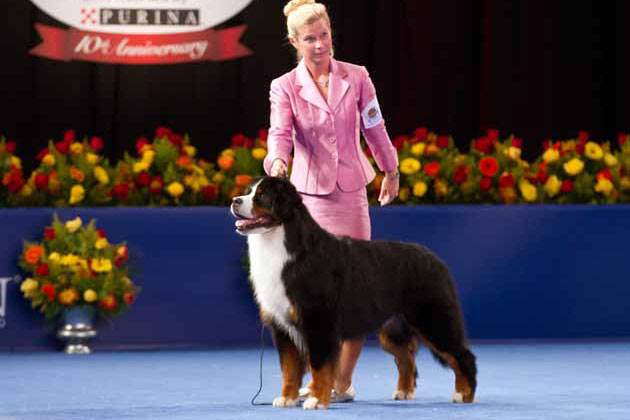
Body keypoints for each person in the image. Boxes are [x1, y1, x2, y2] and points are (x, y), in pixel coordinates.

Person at [264, 0, 400, 403]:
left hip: (353, 192)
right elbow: (279, 134)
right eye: (310, 39)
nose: (320, 44)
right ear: (294, 41)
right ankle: (317, 376)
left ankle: (341, 381)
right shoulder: (284, 86)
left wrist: (391, 170)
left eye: (324, 35)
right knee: (312, 297)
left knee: (356, 289)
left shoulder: (357, 77)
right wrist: (277, 163)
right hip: (311, 199)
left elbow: (375, 128)